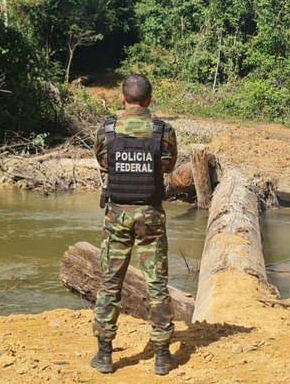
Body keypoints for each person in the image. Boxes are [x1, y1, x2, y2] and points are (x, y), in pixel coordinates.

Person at [90, 74, 178, 375]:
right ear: (149, 100)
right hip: (150, 215)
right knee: (157, 284)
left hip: (117, 215)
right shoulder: (162, 130)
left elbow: (105, 163)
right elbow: (167, 165)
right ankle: (162, 357)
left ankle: (104, 355)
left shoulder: (107, 130)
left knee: (110, 283)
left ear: (122, 98)